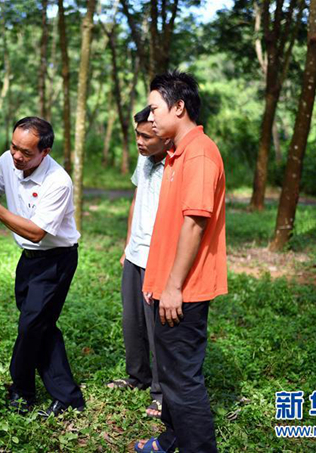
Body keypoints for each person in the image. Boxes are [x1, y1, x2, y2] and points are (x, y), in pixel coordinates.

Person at [0, 116, 85, 418]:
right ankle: (68, 397)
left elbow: (36, 232)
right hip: (28, 259)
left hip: (55, 260)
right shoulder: (8, 161)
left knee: (31, 326)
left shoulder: (58, 182)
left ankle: (22, 391)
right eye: (14, 147)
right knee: (40, 325)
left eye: (26, 152)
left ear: (45, 152)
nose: (17, 156)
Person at [134, 70, 227, 453]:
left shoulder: (200, 154)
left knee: (183, 381)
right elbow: (170, 226)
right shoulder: (176, 153)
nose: (149, 117)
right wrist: (155, 282)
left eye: (155, 109)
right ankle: (171, 438)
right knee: (172, 375)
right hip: (167, 285)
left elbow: (194, 224)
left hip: (184, 291)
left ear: (179, 107)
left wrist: (172, 287)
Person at [107, 106, 171, 419]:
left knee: (158, 328)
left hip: (157, 257)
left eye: (147, 137)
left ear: (166, 137)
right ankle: (138, 377)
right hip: (135, 253)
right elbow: (137, 199)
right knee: (132, 322)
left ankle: (162, 392)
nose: (140, 142)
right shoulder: (144, 158)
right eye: (137, 135)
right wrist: (127, 244)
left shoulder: (176, 166)